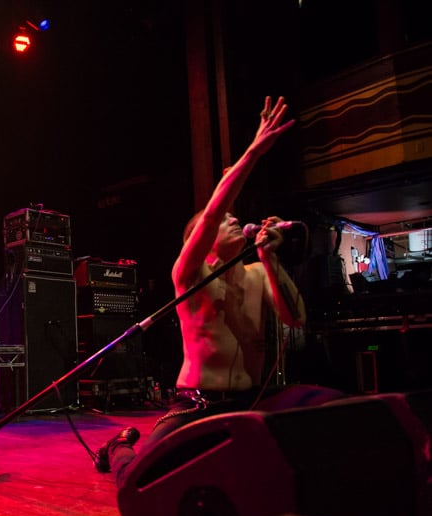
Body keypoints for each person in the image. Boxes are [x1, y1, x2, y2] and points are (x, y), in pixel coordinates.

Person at [95, 96, 340, 479]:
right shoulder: (188, 274)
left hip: (250, 399)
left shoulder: (260, 271)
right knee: (139, 477)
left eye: (233, 217)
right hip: (197, 404)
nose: (233, 218)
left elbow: (296, 319)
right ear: (201, 240)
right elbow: (212, 209)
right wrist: (254, 152)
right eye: (224, 220)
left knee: (330, 410)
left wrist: (270, 256)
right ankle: (119, 445)